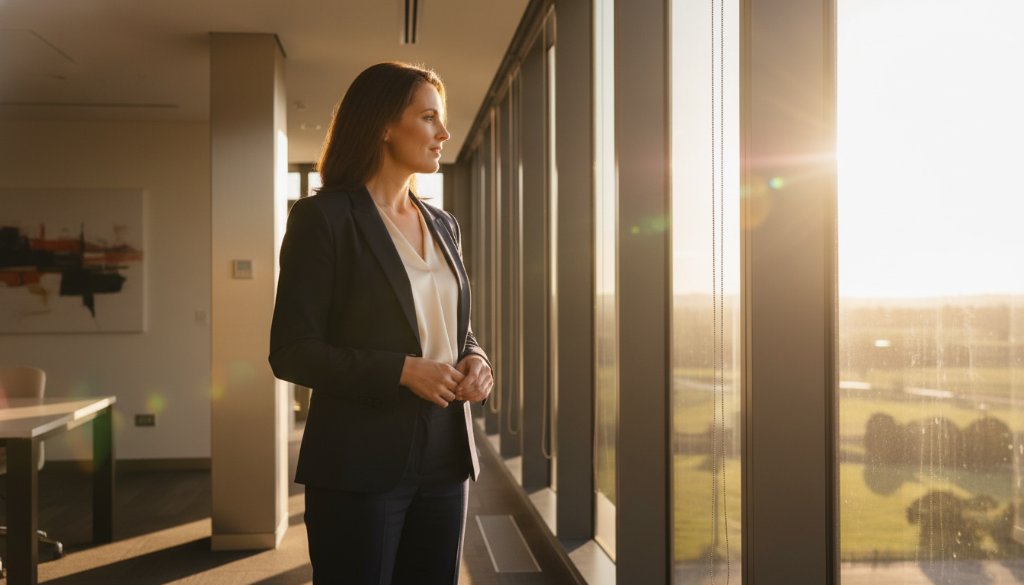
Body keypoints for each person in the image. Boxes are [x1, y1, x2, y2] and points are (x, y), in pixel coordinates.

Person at [268, 61, 494, 585]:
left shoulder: (443, 224)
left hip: (445, 454)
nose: (444, 133)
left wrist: (477, 359)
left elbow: (453, 328)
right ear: (384, 125)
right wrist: (400, 370)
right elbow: (292, 350)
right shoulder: (323, 219)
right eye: (429, 118)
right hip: (359, 459)